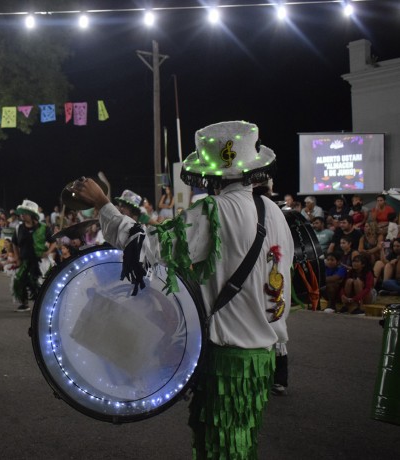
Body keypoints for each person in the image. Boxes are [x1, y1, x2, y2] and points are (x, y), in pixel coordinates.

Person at [74, 120, 293, 459]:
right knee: (240, 444)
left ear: (210, 175)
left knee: (220, 447)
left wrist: (104, 205)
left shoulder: (214, 211)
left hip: (227, 358)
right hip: (261, 359)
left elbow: (143, 247)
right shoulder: (273, 212)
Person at [12, 199, 56, 312]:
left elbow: (53, 242)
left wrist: (48, 251)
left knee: (36, 282)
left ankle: (39, 306)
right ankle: (24, 303)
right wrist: (17, 257)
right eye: (22, 213)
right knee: (19, 280)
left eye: (25, 213)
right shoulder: (19, 228)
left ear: (32, 215)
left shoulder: (44, 228)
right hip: (25, 260)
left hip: (40, 262)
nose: (22, 215)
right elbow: (15, 243)